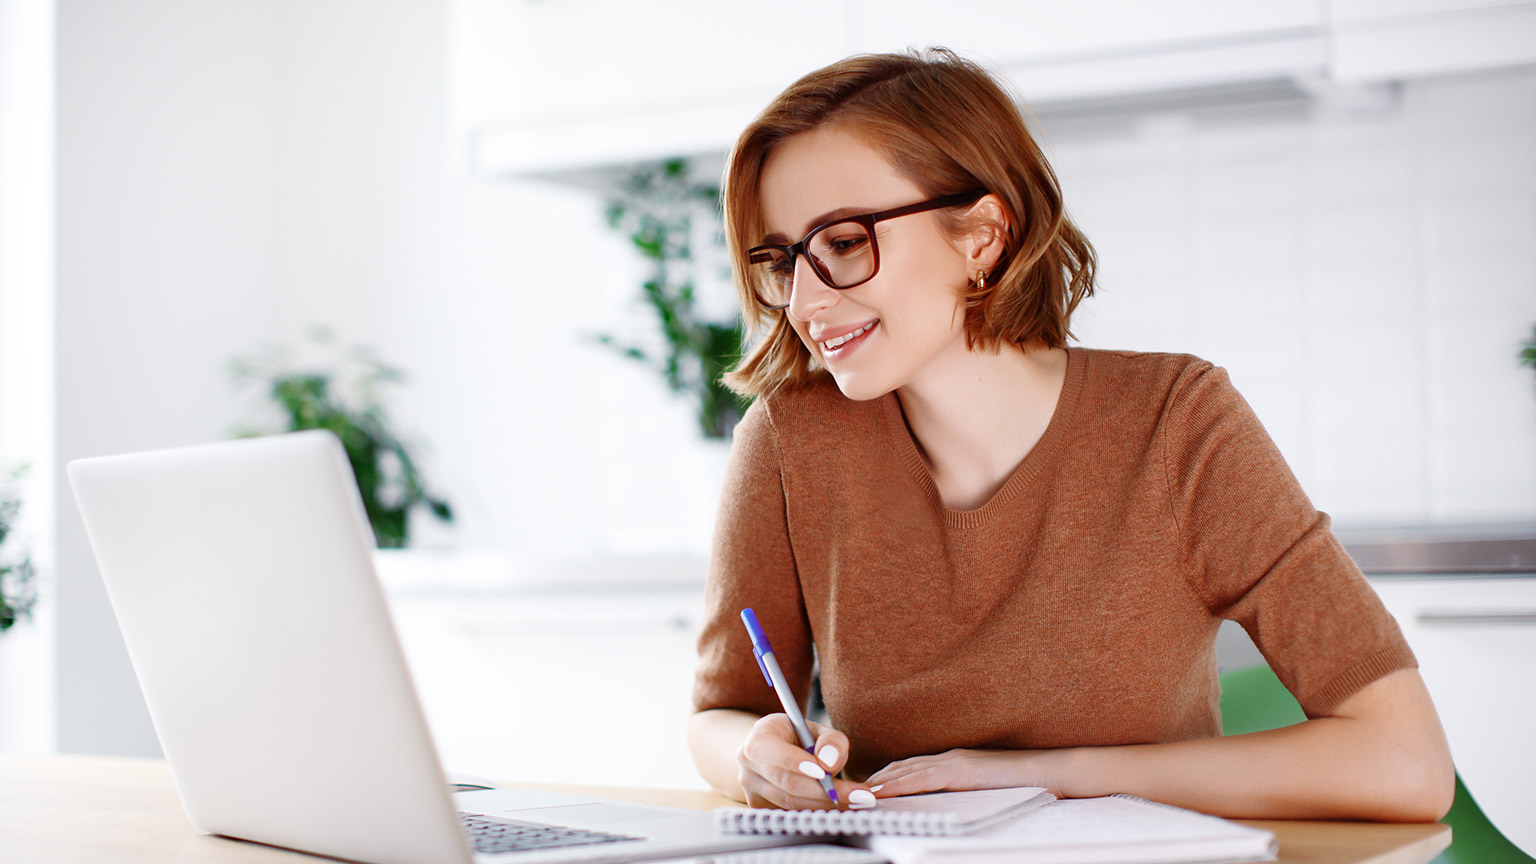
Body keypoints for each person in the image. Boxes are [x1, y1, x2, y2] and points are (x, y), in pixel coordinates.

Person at [686, 48, 1454, 822]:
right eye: (782, 260)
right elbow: (719, 717)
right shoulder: (788, 444)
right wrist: (753, 757)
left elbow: (1404, 761)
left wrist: (1044, 775)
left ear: (982, 236)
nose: (806, 300)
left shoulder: (1177, 420)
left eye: (844, 243)